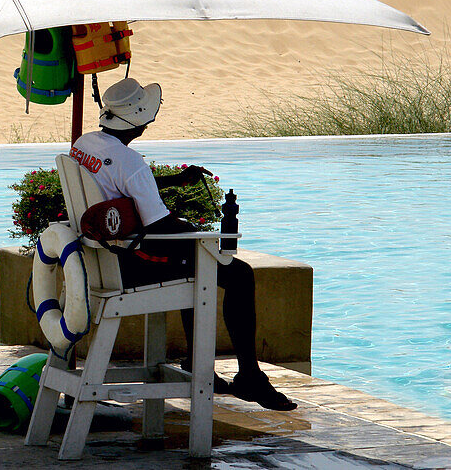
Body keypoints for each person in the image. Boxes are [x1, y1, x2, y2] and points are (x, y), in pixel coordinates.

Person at [68, 77, 297, 411]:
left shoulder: (85, 144)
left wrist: (172, 180)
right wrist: (200, 234)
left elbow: (115, 182)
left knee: (196, 261)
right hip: (130, 263)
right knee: (238, 273)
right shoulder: (131, 163)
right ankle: (249, 375)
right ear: (142, 119)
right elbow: (158, 224)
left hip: (101, 258)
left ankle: (195, 362)